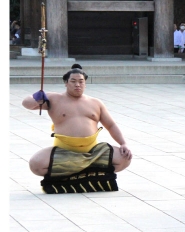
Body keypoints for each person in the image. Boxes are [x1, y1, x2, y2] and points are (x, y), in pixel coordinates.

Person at [22, 64, 132, 193]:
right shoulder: (53, 98)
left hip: (92, 152)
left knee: (125, 158)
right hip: (63, 150)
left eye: (81, 81)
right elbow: (26, 103)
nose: (77, 85)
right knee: (36, 164)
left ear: (85, 83)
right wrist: (37, 97)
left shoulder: (95, 103)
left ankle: (78, 169)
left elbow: (111, 125)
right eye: (73, 81)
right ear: (66, 83)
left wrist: (123, 143)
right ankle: (84, 170)